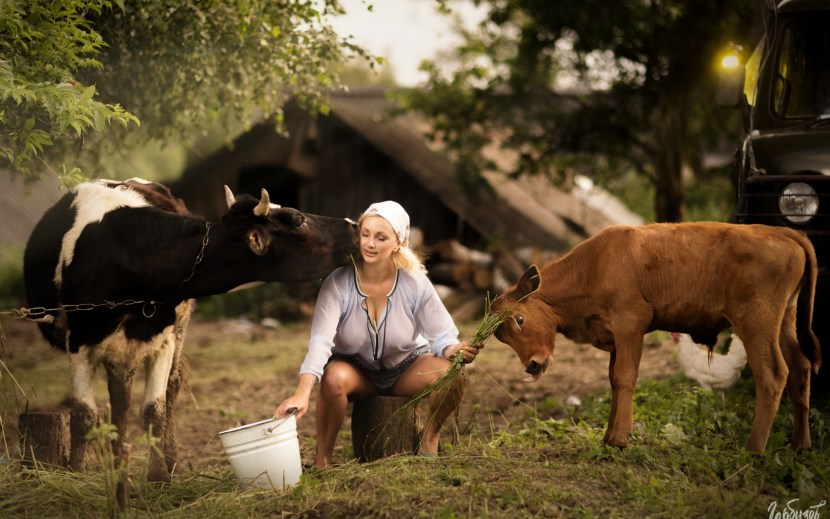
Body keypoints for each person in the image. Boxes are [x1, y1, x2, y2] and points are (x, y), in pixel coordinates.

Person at [274, 200, 481, 468]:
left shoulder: (415, 282)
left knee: (452, 375)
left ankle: (430, 436)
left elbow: (442, 335)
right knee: (333, 379)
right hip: (357, 371)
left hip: (407, 368)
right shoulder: (338, 283)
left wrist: (453, 350)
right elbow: (321, 341)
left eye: (381, 238)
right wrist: (302, 393)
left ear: (398, 243)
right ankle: (322, 461)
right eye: (365, 234)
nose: (370, 244)